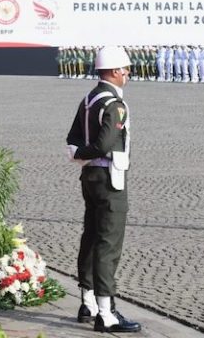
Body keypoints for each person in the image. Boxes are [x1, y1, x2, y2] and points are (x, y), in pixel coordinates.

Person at [65, 45, 142, 333]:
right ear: (113, 71)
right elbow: (105, 144)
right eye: (125, 70)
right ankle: (106, 313)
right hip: (110, 178)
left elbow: (72, 139)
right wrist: (87, 153)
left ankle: (87, 301)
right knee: (108, 244)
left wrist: (79, 155)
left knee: (91, 237)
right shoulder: (114, 104)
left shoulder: (88, 99)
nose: (127, 75)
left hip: (90, 178)